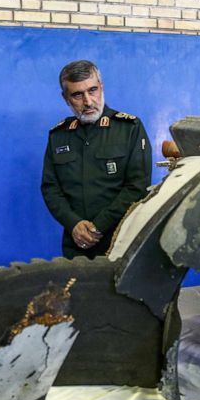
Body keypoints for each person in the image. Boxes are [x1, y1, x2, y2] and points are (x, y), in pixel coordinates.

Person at [41, 60, 152, 258]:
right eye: (77, 94)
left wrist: (98, 226)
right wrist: (73, 224)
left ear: (102, 87)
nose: (88, 101)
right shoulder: (58, 135)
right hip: (76, 244)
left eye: (92, 90)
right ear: (65, 98)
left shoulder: (129, 128)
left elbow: (137, 185)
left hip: (120, 240)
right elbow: (51, 188)